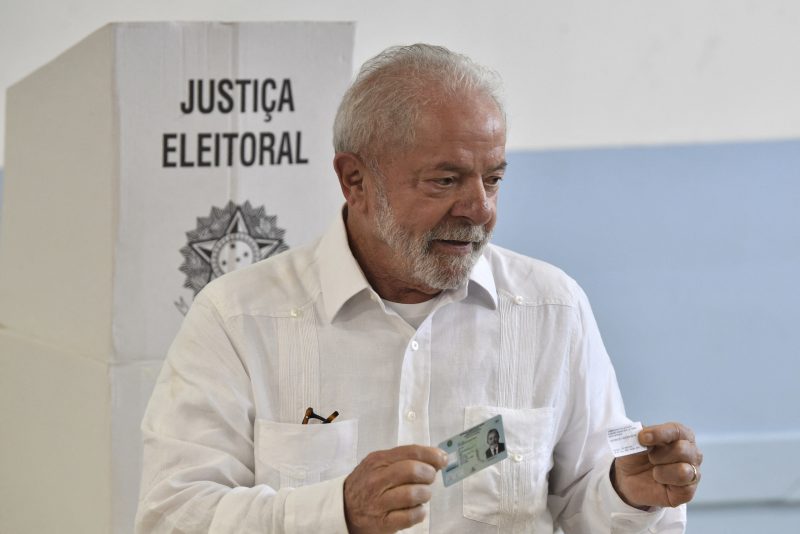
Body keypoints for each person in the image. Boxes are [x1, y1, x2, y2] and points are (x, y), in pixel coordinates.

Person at [136, 44, 702, 533]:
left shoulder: (551, 308)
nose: (479, 209)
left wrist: (629, 495)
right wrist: (336, 514)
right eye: (446, 180)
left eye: (494, 179)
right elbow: (173, 516)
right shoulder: (239, 318)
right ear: (354, 180)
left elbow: (588, 506)